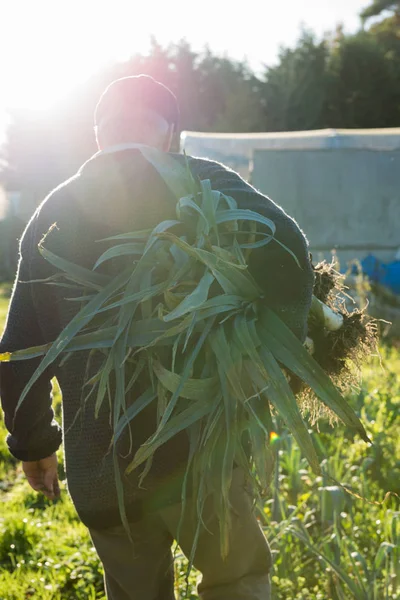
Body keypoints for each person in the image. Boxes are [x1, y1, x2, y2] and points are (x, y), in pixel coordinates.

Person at [0, 75, 314, 599]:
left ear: (99, 135)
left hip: (102, 466)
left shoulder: (56, 211)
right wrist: (280, 355)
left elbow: (20, 346)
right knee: (235, 582)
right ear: (171, 135)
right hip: (200, 455)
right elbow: (288, 254)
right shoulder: (201, 182)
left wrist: (33, 443)